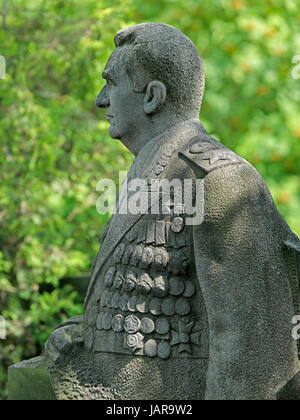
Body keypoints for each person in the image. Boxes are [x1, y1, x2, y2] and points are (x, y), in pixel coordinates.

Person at [43, 23, 300, 400]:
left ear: (152, 97)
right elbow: (150, 300)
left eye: (111, 84)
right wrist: (86, 332)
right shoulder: (150, 171)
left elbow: (248, 350)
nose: (100, 100)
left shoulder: (217, 179)